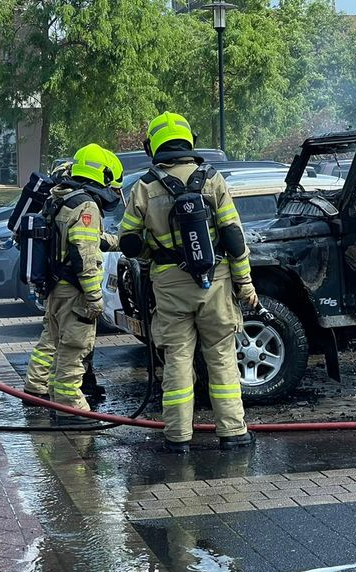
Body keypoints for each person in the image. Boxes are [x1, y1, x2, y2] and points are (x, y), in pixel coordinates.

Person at [119, 111, 257, 453]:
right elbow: (234, 238)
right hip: (216, 280)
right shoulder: (212, 180)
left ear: (153, 145)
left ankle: (178, 437)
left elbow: (128, 242)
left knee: (178, 360)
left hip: (169, 284)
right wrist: (246, 284)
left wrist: (154, 252)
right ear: (189, 141)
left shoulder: (143, 187)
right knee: (222, 355)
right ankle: (233, 433)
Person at [37, 143, 121, 422]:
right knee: (74, 350)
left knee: (58, 346)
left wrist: (114, 241)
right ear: (103, 176)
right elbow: (83, 253)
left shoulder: (61, 198)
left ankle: (56, 399)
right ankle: (72, 408)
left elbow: (81, 240)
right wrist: (94, 296)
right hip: (75, 291)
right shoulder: (86, 205)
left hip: (57, 287)